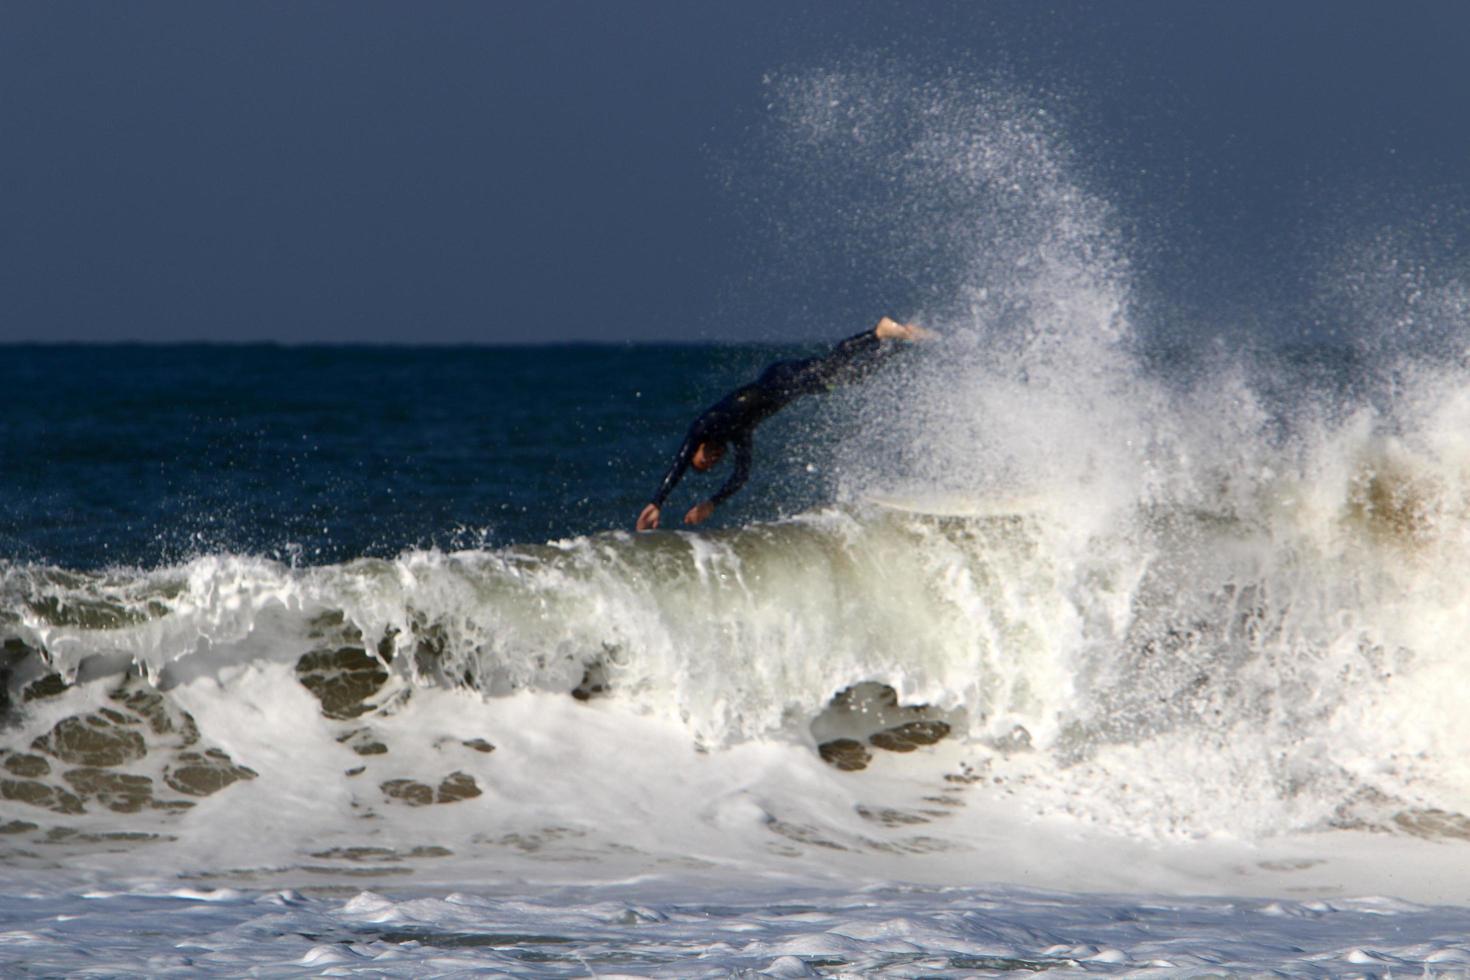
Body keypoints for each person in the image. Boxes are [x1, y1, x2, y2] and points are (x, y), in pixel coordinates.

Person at [635, 316, 935, 531]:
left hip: (782, 378)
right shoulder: (740, 434)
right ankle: (901, 343)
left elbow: (679, 461)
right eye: (711, 465)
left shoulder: (706, 424)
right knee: (852, 377)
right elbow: (741, 476)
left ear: (698, 449)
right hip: (795, 387)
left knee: (832, 366)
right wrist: (712, 504)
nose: (710, 461)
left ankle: (879, 332)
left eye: (702, 461)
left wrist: (657, 502)